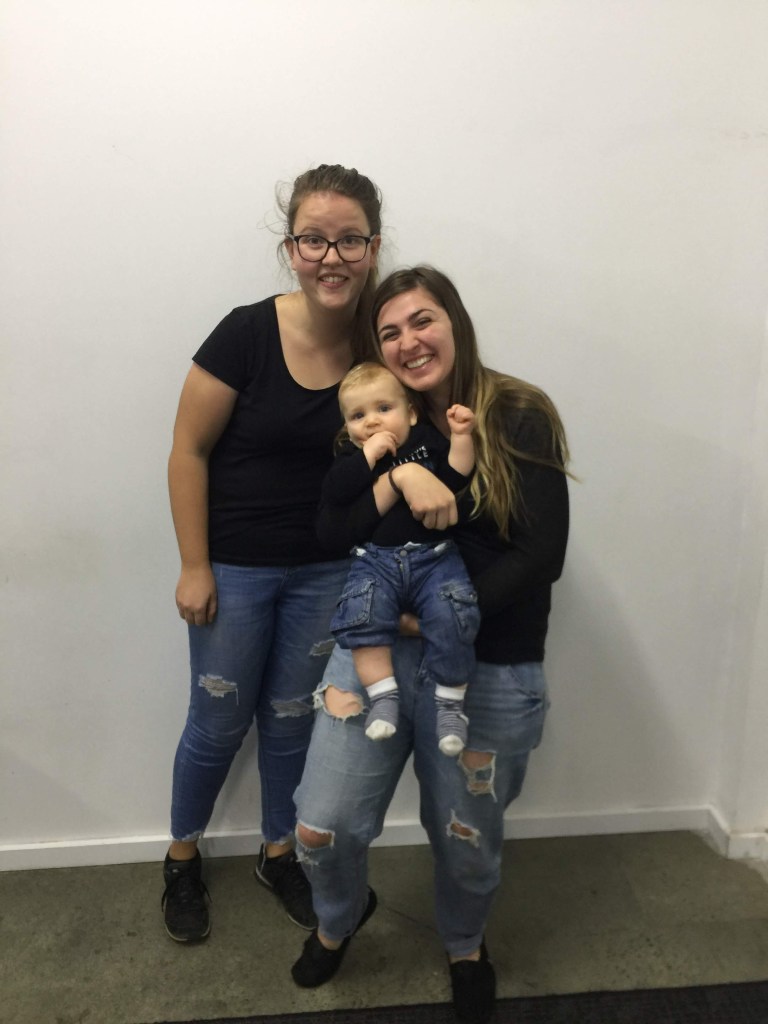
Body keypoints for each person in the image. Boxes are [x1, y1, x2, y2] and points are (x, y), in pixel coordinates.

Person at [290, 266, 570, 1024]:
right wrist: (398, 478)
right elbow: (334, 530)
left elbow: (541, 555)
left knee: (466, 840)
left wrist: (445, 616)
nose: (408, 341)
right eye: (390, 331)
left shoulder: (517, 413)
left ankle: (465, 945)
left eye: (422, 321)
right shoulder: (373, 419)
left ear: (455, 322)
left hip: (489, 663)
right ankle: (338, 918)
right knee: (321, 826)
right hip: (373, 652)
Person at [161, 164, 383, 943]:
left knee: (292, 721)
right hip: (235, 570)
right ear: (291, 247)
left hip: (330, 571)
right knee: (217, 722)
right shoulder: (246, 333)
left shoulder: (377, 342)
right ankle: (181, 858)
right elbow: (187, 450)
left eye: (349, 240)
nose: (331, 256)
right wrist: (195, 564)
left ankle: (277, 852)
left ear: (372, 247)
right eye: (314, 239)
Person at [325, 361, 479, 755]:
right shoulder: (351, 456)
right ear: (347, 427)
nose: (372, 422)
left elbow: (455, 477)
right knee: (363, 617)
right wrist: (368, 455)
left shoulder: (424, 440)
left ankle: (451, 707)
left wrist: (462, 436)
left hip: (435, 558)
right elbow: (337, 493)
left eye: (383, 409)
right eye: (358, 416)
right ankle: (382, 697)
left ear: (410, 413)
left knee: (452, 615)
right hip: (376, 561)